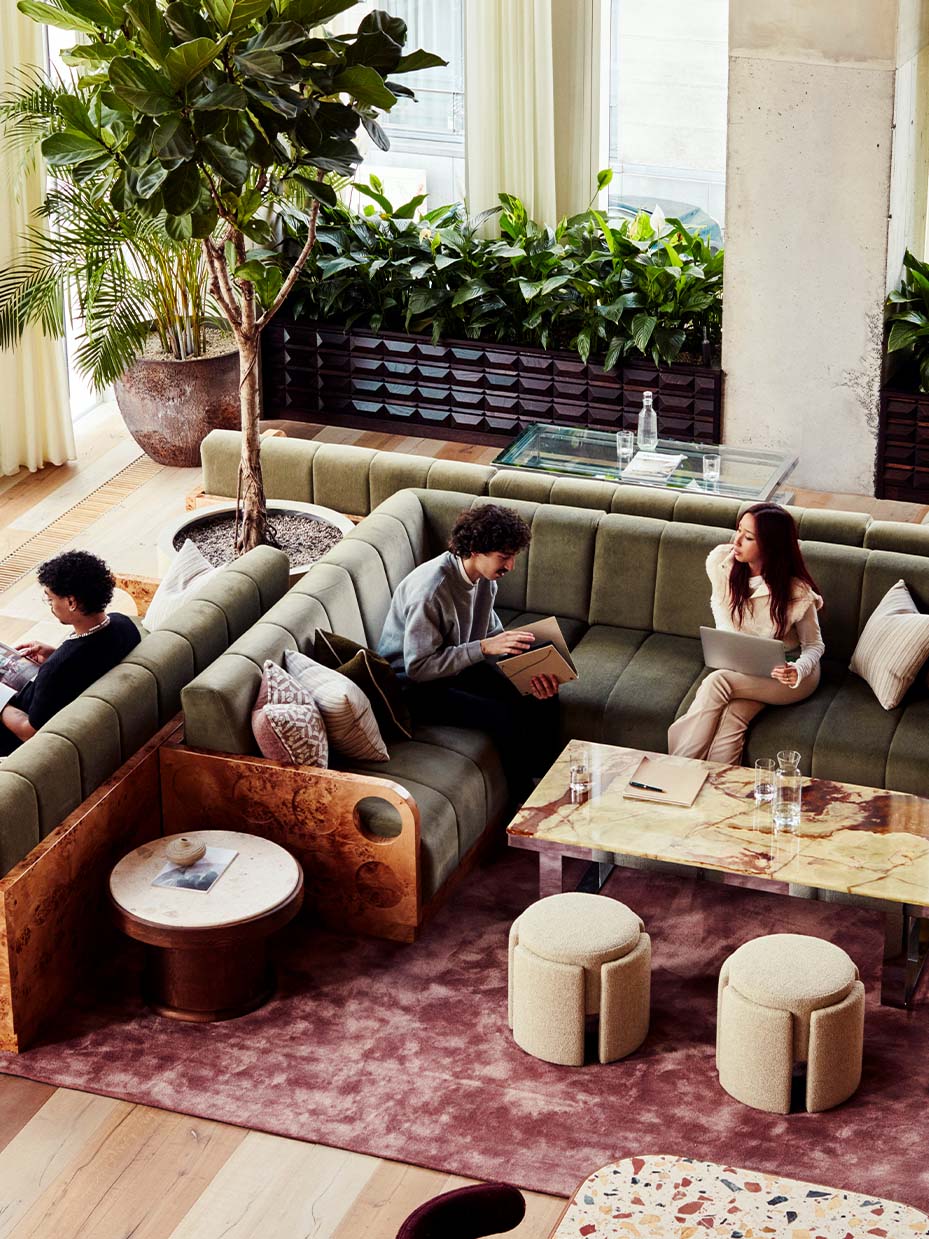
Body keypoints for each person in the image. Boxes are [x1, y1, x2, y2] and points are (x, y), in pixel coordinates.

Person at [377, 504, 561, 804]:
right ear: (475, 549)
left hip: (457, 670)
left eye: (513, 556)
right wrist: (484, 648)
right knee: (501, 716)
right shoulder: (432, 591)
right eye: (504, 557)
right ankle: (524, 803)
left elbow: (490, 638)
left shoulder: (485, 581)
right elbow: (418, 668)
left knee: (540, 690)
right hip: (415, 689)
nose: (511, 566)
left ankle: (548, 782)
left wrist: (523, 667)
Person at [667, 503, 824, 765]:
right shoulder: (721, 563)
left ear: (770, 546)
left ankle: (676, 769)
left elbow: (815, 645)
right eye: (738, 530)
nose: (736, 541)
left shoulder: (797, 592)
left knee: (718, 682)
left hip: (790, 676)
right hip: (746, 667)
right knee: (731, 719)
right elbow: (722, 615)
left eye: (748, 537)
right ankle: (719, 795)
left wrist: (797, 669)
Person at [0, 550, 141, 756]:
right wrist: (56, 653)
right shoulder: (123, 625)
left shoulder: (58, 669)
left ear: (71, 602)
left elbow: (29, 732)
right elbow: (89, 663)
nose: (51, 606)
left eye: (50, 600)